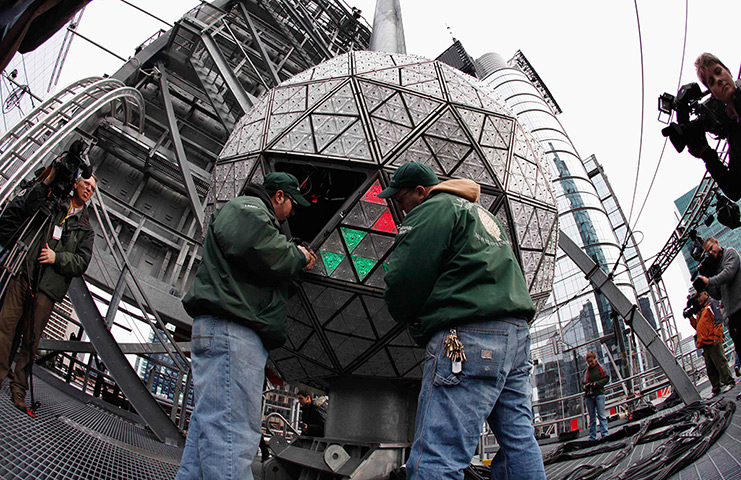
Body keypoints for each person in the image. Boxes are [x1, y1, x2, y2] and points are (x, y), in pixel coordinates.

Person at [380, 162, 546, 480]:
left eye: (400, 199)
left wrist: (407, 315)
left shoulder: (433, 209)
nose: (399, 208)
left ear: (420, 191)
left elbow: (404, 279)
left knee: (438, 453)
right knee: (519, 441)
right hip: (515, 335)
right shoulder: (481, 215)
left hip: (468, 337)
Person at [176, 172, 317, 480]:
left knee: (206, 440)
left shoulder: (249, 215)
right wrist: (296, 254)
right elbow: (260, 248)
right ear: (278, 196)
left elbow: (264, 270)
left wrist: (293, 264)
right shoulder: (248, 209)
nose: (293, 212)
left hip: (227, 332)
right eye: (292, 203)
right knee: (232, 438)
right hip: (232, 334)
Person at [0, 170, 96, 412]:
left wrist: (57, 258)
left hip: (48, 288)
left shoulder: (86, 229)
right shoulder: (55, 204)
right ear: (76, 184)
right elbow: (30, 208)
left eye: (92, 189)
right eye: (86, 184)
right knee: (4, 326)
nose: (88, 190)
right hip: (25, 273)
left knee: (31, 340)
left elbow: (81, 263)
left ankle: (19, 388)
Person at [688, 53, 741, 201]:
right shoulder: (733, 133)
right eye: (711, 82)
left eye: (718, 72)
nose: (718, 80)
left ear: (728, 72)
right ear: (713, 93)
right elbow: (735, 190)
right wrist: (707, 155)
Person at [696, 237, 741, 374]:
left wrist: (709, 280)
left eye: (711, 248)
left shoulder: (730, 253)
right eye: (708, 251)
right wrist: (706, 285)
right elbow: (718, 295)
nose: (711, 252)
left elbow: (729, 274)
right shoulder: (715, 270)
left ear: (717, 243)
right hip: (731, 315)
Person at [689, 291, 735, 395]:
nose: (699, 299)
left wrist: (716, 338)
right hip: (705, 343)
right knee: (710, 369)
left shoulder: (711, 305)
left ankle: (729, 382)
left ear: (705, 294)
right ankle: (716, 388)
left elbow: (718, 321)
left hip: (712, 341)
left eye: (700, 296)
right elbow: (698, 326)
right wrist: (690, 317)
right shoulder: (701, 310)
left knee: (720, 363)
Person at [582, 351, 609, 441]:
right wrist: (586, 387)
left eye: (591, 362)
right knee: (592, 417)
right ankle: (592, 437)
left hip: (599, 394)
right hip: (589, 395)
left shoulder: (600, 368)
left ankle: (604, 434)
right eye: (588, 362)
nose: (590, 364)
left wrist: (596, 384)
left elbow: (606, 378)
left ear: (595, 359)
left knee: (601, 415)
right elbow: (582, 383)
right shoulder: (586, 371)